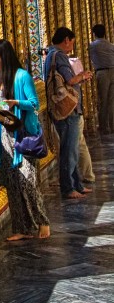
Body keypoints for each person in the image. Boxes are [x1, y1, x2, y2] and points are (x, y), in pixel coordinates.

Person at [0, 39, 50, 241]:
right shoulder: (1, 78)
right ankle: (21, 228)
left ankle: (43, 222)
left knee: (28, 182)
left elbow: (35, 103)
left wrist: (16, 102)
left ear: (2, 56)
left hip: (23, 135)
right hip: (6, 135)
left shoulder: (22, 76)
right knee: (12, 183)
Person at [44, 27, 93, 200]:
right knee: (69, 150)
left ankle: (77, 184)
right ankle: (68, 188)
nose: (71, 46)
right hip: (67, 110)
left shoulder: (50, 55)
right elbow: (70, 80)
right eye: (71, 42)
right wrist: (83, 76)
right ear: (66, 40)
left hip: (63, 110)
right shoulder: (59, 55)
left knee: (70, 148)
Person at [69, 52, 96, 185]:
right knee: (78, 143)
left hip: (71, 110)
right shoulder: (73, 63)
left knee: (78, 143)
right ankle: (83, 175)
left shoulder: (69, 64)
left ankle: (84, 176)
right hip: (73, 109)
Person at [89, 23, 114, 134]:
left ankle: (104, 127)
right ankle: (113, 126)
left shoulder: (93, 45)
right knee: (112, 101)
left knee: (102, 100)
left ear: (94, 34)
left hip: (102, 73)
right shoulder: (110, 45)